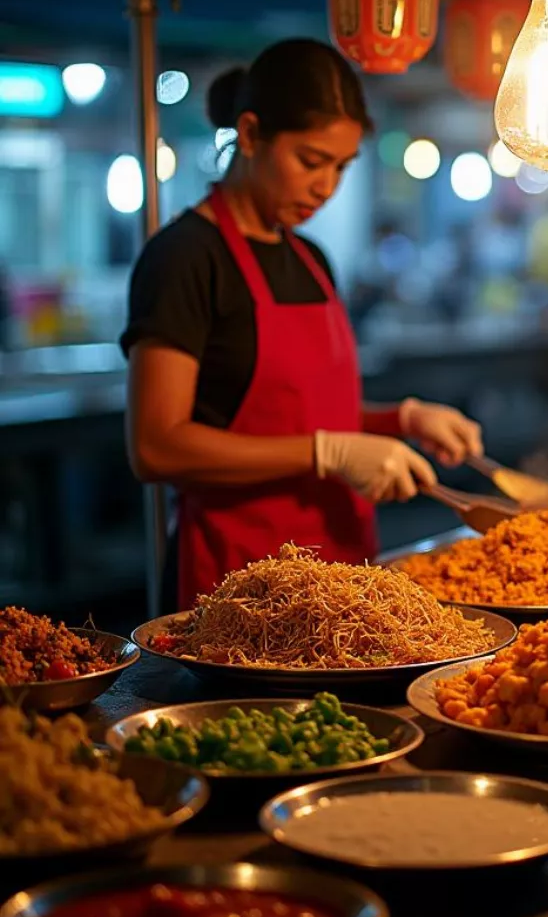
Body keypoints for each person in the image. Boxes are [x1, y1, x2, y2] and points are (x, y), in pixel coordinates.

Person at [121, 39, 482, 609]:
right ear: (249, 134)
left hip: (342, 575)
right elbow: (156, 445)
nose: (325, 186)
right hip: (239, 590)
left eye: (340, 167)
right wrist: (329, 454)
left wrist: (401, 419)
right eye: (310, 161)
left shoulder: (311, 260)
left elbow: (302, 414)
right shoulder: (187, 257)